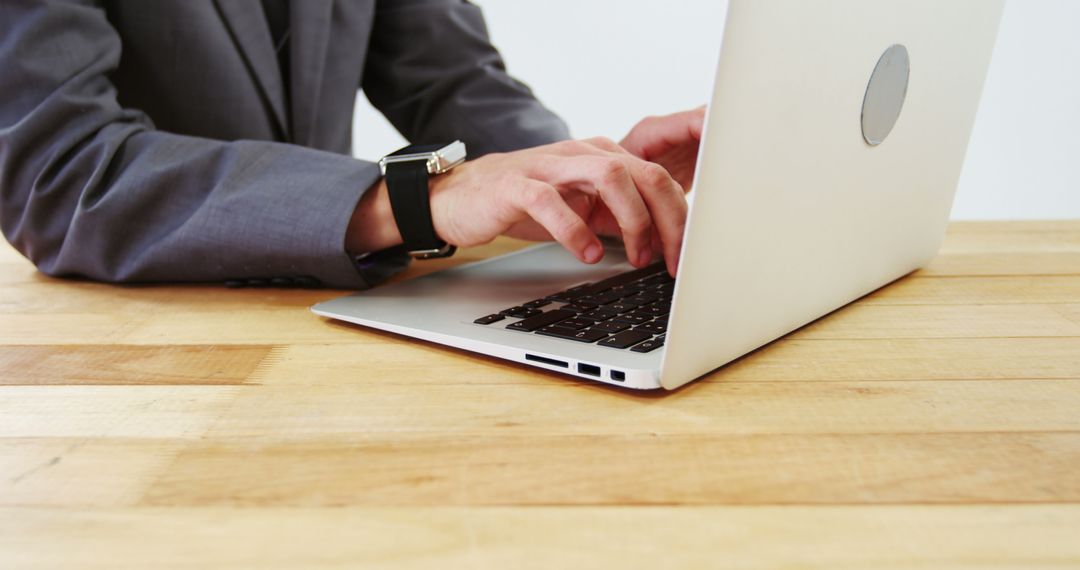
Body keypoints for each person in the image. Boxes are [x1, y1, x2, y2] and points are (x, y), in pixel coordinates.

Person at [0, 0, 703, 289]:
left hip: (325, 325)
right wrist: (418, 199)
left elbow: (452, 78)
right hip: (142, 368)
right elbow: (58, 173)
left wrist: (591, 184)